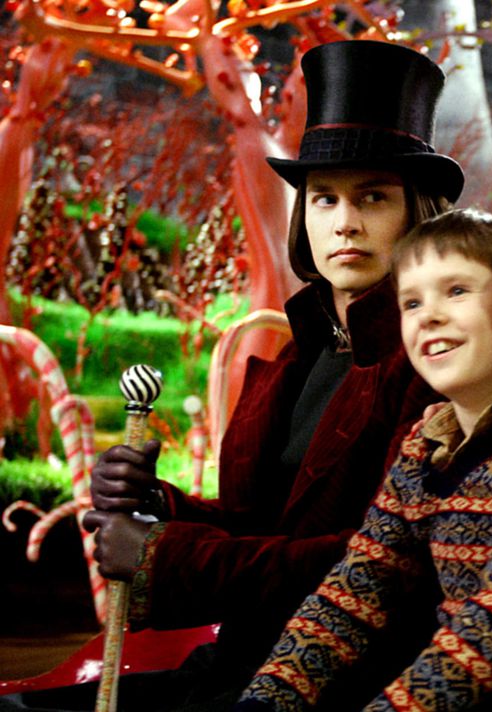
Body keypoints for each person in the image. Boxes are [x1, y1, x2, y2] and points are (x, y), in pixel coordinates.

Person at [1, 41, 463, 712]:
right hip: (241, 660)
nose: (346, 223)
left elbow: (377, 564)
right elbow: (261, 526)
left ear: (417, 213)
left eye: (374, 197)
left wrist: (164, 553)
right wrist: (159, 505)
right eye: (325, 199)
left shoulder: (433, 367)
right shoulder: (295, 359)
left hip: (344, 682)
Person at [236, 208, 492, 711]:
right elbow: (357, 586)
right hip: (465, 691)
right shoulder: (428, 442)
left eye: (457, 291)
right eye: (411, 302)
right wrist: (268, 698)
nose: (428, 315)